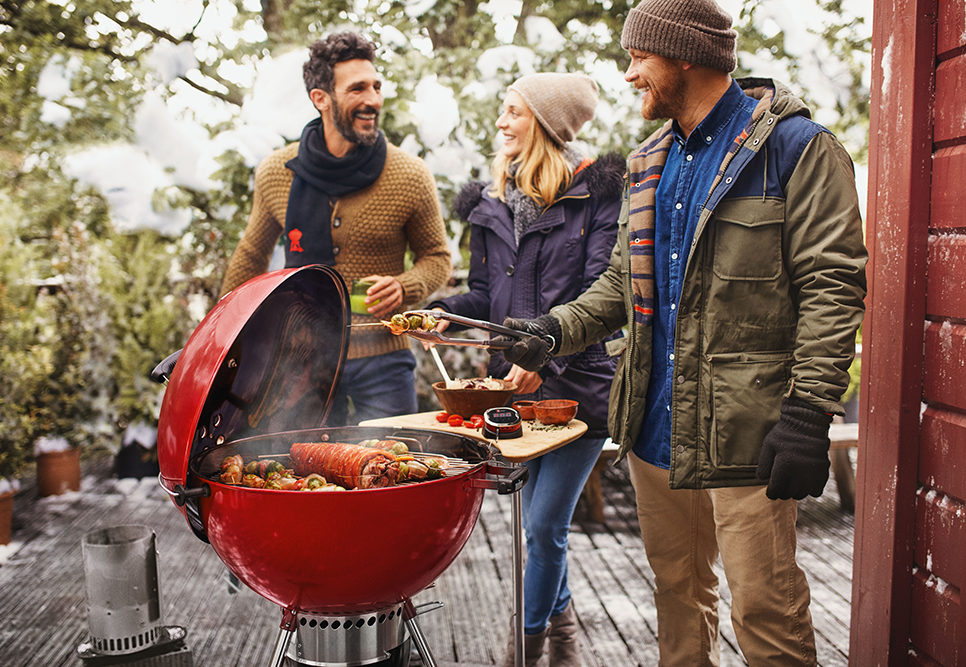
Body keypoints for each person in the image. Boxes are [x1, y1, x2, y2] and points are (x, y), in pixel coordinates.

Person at [494, 1, 868, 664]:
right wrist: (552, 331)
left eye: (640, 56)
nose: (629, 72)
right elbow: (619, 286)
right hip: (655, 431)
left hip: (748, 436)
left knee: (766, 612)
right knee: (678, 599)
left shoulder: (796, 149)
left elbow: (832, 289)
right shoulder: (647, 162)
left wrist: (810, 411)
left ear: (685, 55)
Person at [425, 72, 624, 667]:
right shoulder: (489, 207)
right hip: (511, 393)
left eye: (514, 111)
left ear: (545, 122)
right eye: (503, 110)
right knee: (540, 531)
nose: (502, 122)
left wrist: (549, 357)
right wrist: (440, 314)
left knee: (541, 528)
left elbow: (600, 297)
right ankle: (562, 641)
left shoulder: (597, 197)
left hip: (577, 390)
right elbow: (486, 297)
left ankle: (524, 649)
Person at [219, 31, 451, 426]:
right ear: (321, 99)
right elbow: (251, 255)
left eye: (377, 86)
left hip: (383, 359)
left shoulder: (410, 174)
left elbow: (437, 258)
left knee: (390, 470)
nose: (374, 100)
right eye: (358, 88)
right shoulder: (277, 172)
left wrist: (404, 286)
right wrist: (221, 334)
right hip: (301, 360)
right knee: (302, 474)